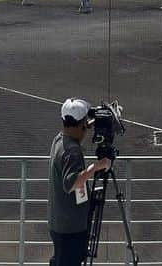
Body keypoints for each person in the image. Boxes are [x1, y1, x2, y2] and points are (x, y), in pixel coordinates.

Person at [48, 98, 112, 266]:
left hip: (60, 223)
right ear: (81, 123)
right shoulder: (73, 151)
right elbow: (71, 183)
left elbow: (73, 132)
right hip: (71, 227)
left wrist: (87, 124)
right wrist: (96, 167)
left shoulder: (59, 140)